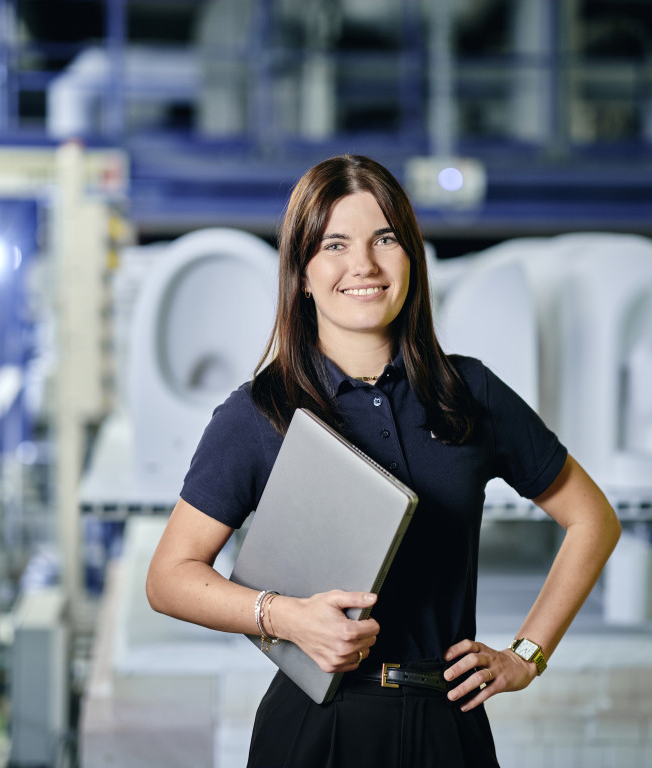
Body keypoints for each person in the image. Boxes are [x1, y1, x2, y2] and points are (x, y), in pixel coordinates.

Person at [146, 154, 621, 767]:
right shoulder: (261, 412)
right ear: (304, 273)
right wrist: (284, 617)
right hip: (317, 725)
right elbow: (169, 577)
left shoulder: (468, 393)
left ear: (412, 258)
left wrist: (526, 654)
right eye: (334, 244)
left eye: (385, 239)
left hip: (449, 724)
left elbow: (593, 520)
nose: (363, 265)